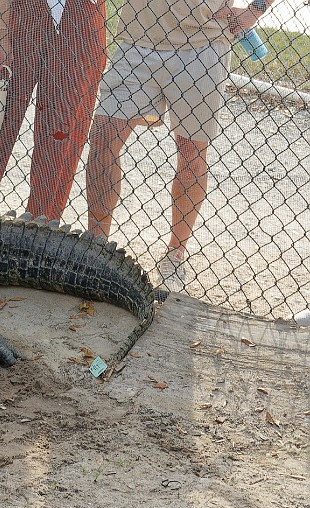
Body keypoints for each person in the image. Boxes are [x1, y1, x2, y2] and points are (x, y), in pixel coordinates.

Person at [85, 0, 275, 297]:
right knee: (103, 137)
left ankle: (176, 252)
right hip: (137, 37)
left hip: (204, 42)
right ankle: (96, 244)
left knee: (191, 153)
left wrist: (256, 9)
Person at [0, 0, 107, 218]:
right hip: (25, 10)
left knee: (61, 136)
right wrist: (0, 29)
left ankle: (43, 226)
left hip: (82, 14)